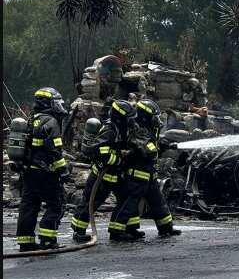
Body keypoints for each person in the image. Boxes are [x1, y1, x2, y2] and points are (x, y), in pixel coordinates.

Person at [70, 99, 140, 242]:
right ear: (120, 118)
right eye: (128, 118)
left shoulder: (121, 129)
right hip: (102, 176)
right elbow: (100, 151)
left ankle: (124, 230)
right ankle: (78, 231)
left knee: (127, 200)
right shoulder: (109, 130)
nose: (131, 121)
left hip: (117, 175)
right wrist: (119, 158)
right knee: (91, 202)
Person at [15, 88, 70, 251]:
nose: (59, 105)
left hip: (28, 171)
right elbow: (54, 151)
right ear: (48, 103)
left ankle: (25, 242)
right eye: (56, 102)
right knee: (56, 204)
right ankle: (48, 239)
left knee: (29, 205)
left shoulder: (32, 119)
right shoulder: (51, 122)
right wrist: (64, 171)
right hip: (45, 172)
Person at [118, 99, 182, 237]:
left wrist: (164, 144)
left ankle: (166, 228)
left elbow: (152, 144)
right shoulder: (138, 130)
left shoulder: (149, 130)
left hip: (149, 176)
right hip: (137, 176)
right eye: (154, 116)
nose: (157, 119)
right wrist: (160, 147)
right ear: (145, 116)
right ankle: (117, 231)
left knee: (159, 204)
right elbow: (148, 150)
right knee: (129, 205)